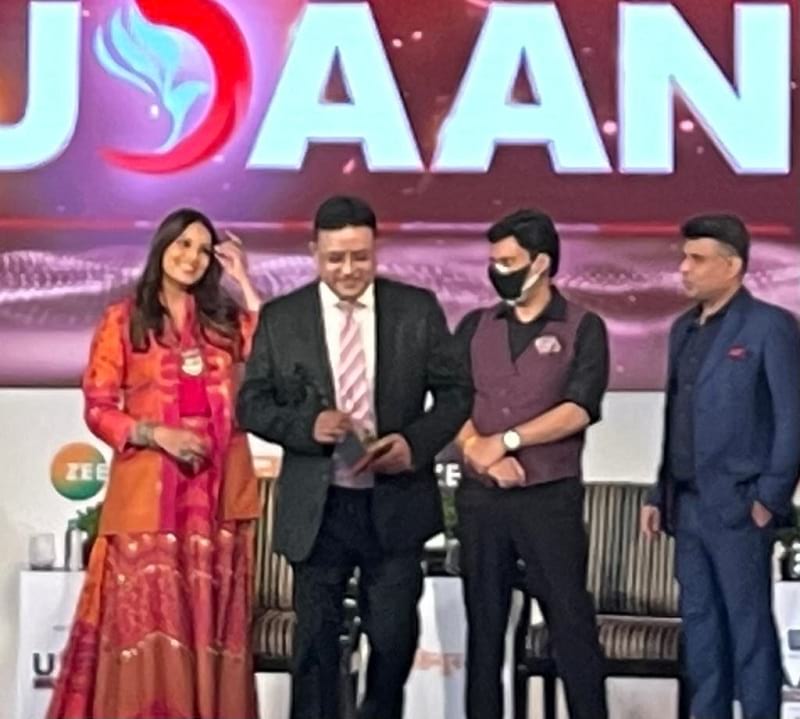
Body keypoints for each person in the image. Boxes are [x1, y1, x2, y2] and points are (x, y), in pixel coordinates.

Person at [236, 195, 471, 719]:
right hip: (319, 510)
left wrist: (413, 444)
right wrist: (307, 428)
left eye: (360, 256)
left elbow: (456, 394)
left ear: (375, 249)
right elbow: (251, 405)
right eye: (335, 258)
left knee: (393, 637)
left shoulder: (416, 310)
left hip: (395, 503)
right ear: (314, 252)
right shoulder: (282, 318)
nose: (348, 269)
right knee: (315, 646)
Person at [47, 208, 262, 719]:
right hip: (149, 495)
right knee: (145, 629)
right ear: (162, 247)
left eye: (203, 250)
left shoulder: (225, 321)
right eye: (183, 244)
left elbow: (274, 355)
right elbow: (98, 407)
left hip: (216, 498)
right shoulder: (124, 319)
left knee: (210, 627)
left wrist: (246, 282)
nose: (192, 257)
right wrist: (154, 434)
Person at [640, 214, 800, 719]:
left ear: (732, 266)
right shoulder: (682, 330)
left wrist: (769, 498)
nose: (684, 269)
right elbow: (677, 419)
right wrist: (657, 492)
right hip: (686, 506)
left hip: (739, 505)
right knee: (701, 630)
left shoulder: (770, 326)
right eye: (684, 258)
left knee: (748, 632)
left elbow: (792, 419)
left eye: (697, 259)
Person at [455, 209, 609, 719]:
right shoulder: (475, 326)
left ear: (540, 263)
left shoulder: (583, 326)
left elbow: (580, 407)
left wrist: (507, 441)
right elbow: (452, 400)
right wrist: (478, 450)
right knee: (484, 630)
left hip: (549, 499)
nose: (497, 271)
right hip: (482, 501)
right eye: (494, 262)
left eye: (507, 261)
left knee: (570, 624)